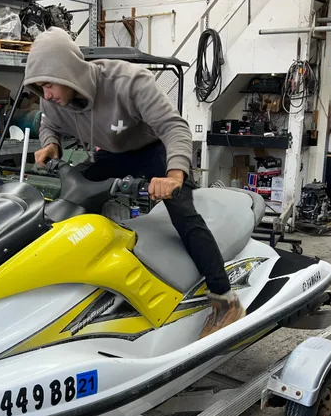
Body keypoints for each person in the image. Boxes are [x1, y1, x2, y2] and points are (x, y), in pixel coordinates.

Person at [23, 28, 244, 339]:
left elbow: (174, 127)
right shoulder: (53, 101)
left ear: (68, 72)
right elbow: (49, 123)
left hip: (155, 149)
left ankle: (225, 299)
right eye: (39, 88)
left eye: (47, 84)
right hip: (113, 153)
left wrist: (175, 175)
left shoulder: (128, 82)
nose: (45, 95)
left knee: (184, 215)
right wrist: (50, 144)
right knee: (74, 197)